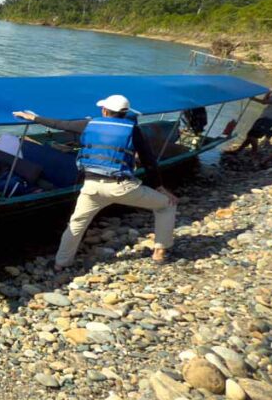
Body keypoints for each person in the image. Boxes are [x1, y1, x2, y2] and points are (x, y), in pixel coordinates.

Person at [13, 94, 178, 269]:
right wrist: (160, 187)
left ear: (105, 111)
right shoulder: (133, 130)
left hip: (91, 187)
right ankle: (159, 252)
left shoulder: (89, 124)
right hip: (122, 187)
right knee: (166, 205)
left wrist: (33, 117)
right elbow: (149, 162)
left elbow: (60, 124)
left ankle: (61, 263)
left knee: (76, 225)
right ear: (125, 113)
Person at [235, 82, 272, 155]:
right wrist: (268, 94)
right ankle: (239, 150)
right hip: (263, 117)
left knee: (253, 136)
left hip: (270, 119)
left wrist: (254, 98)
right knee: (250, 135)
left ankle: (254, 152)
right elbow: (266, 100)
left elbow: (264, 102)